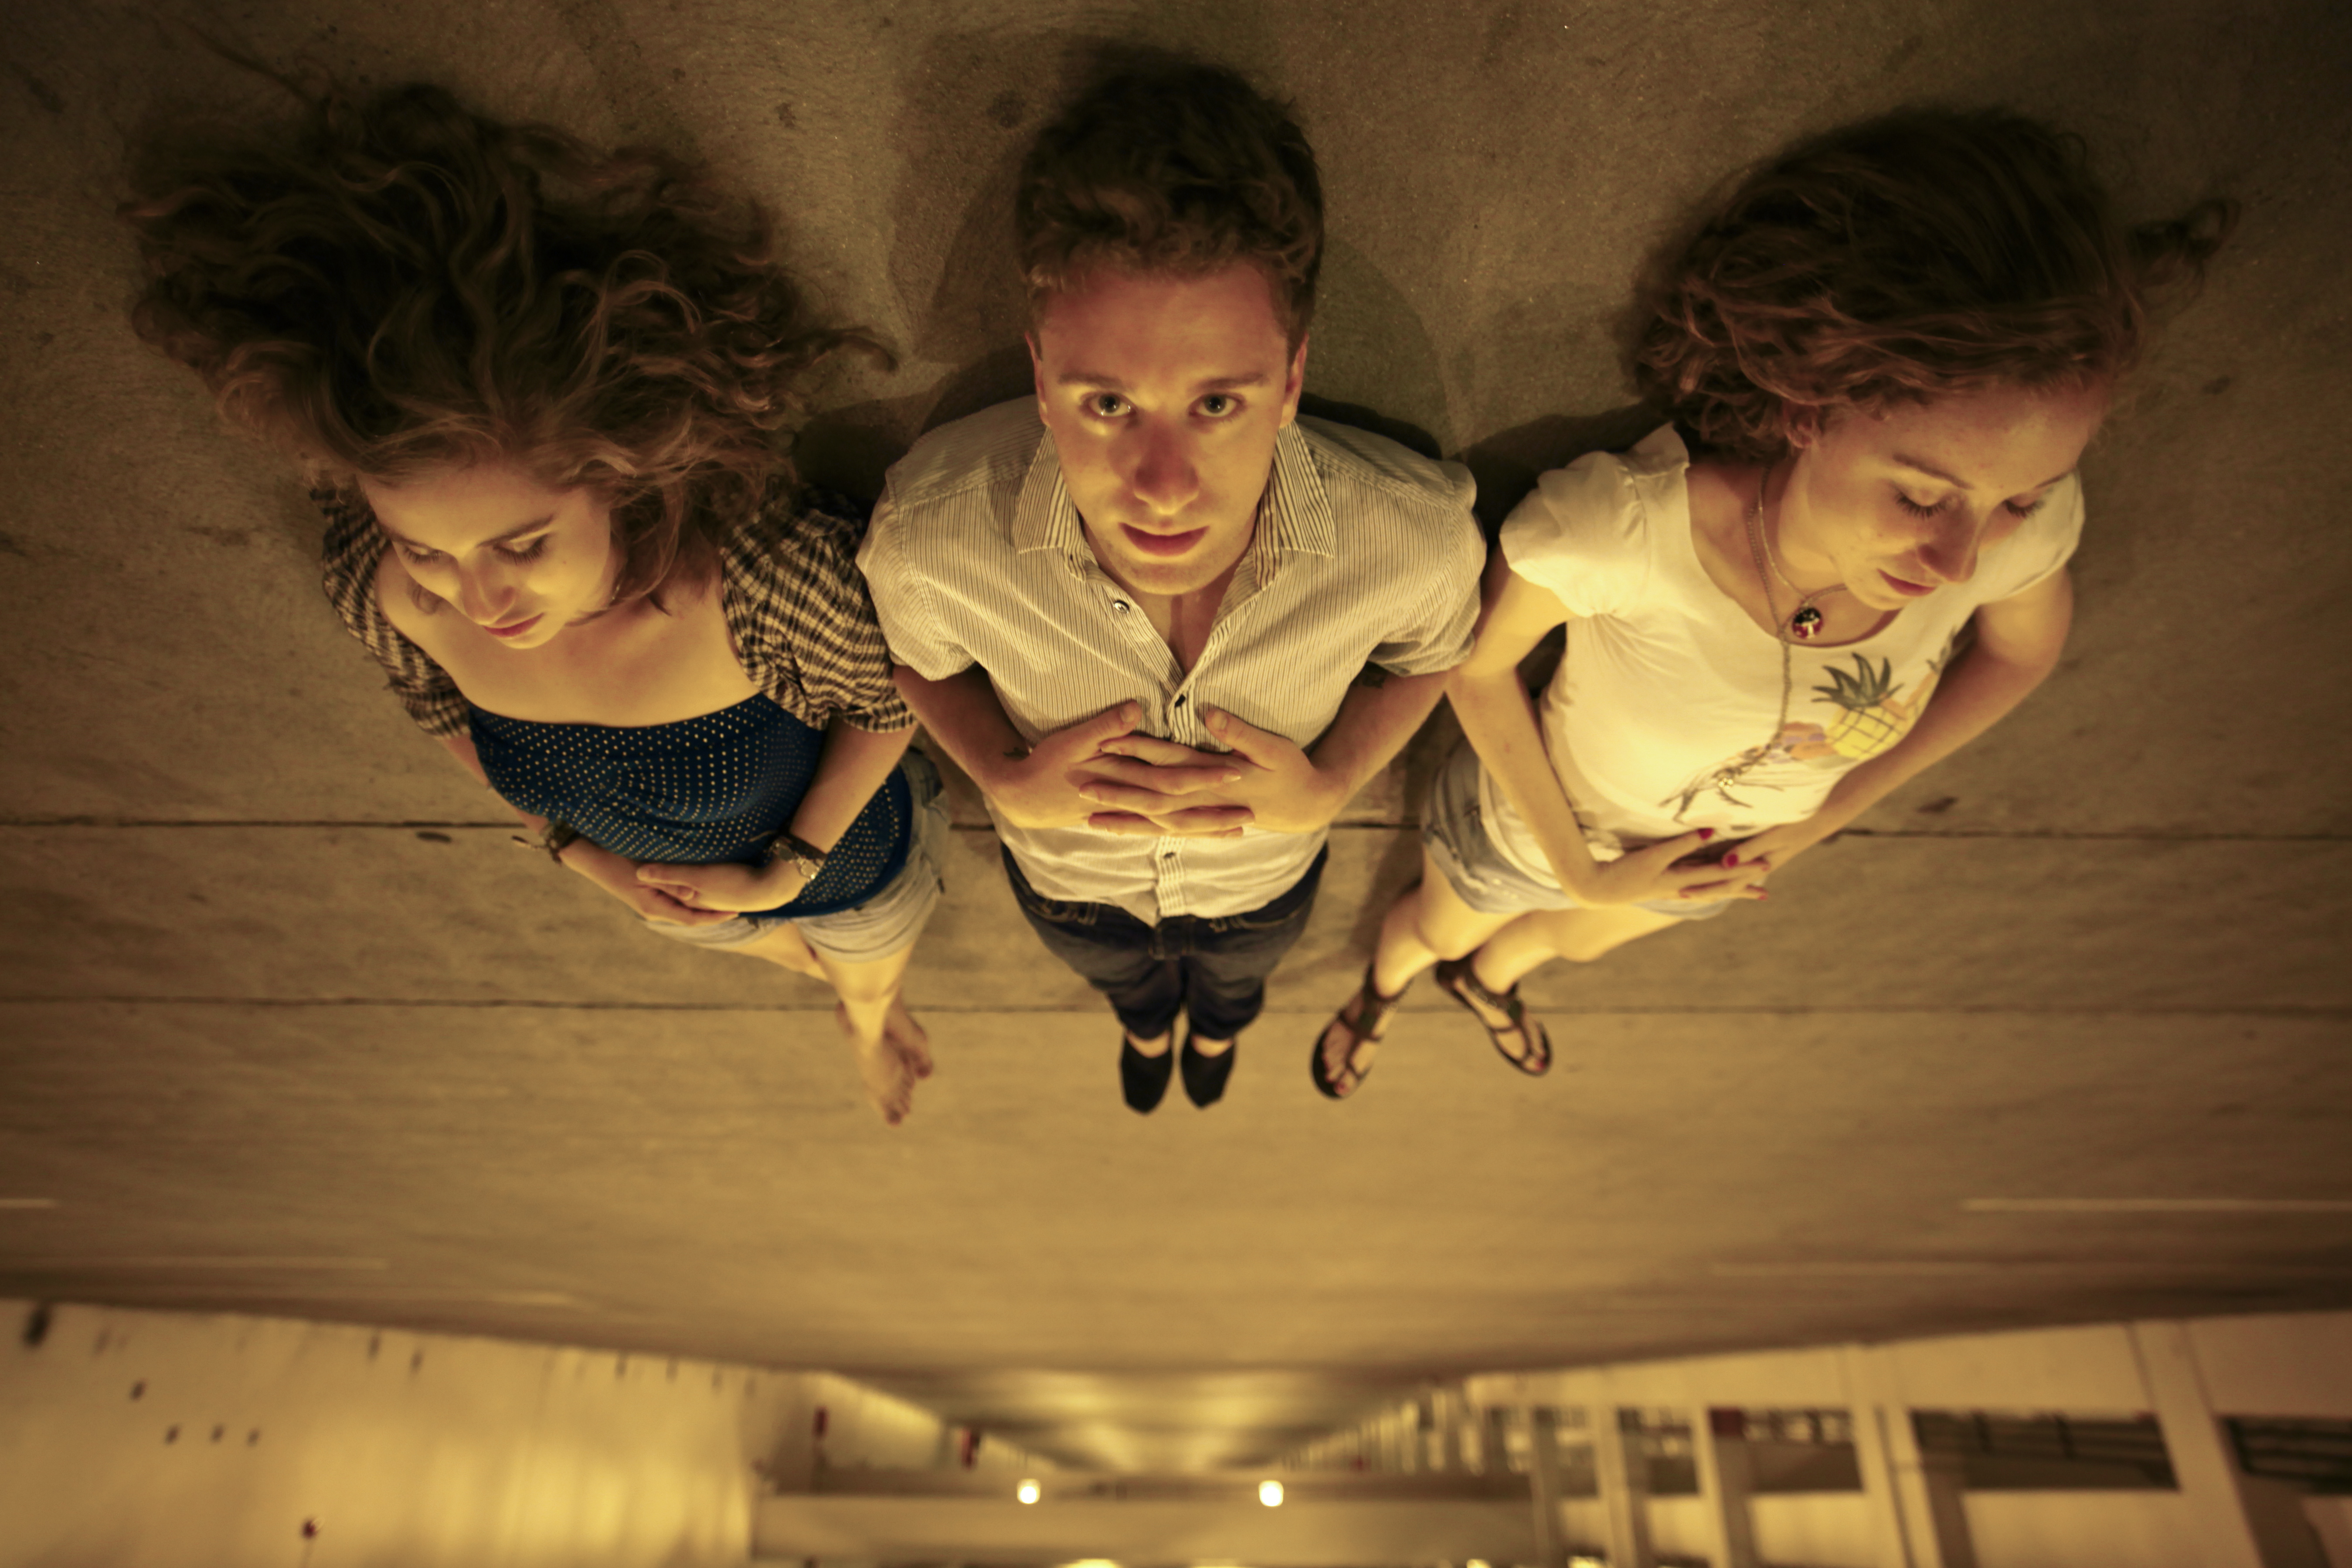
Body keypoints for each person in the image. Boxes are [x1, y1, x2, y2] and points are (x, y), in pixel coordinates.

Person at [1315, 109, 2233, 1097]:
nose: (1960, 560)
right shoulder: (1619, 531)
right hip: (1541, 826)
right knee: (1438, 922)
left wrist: (1828, 815)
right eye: (1919, 496)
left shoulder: (2018, 533)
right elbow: (1477, 662)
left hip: (1729, 857)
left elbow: (2018, 650)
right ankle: (1385, 989)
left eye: (2019, 499)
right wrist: (1581, 869)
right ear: (1809, 404)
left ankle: (1491, 985)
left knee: (1568, 950)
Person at [124, 80, 948, 1126]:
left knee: (863, 970)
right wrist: (589, 863)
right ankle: (843, 998)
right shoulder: (382, 588)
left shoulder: (748, 576)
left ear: (623, 472)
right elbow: (439, 716)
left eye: (523, 543)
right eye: (426, 546)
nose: (478, 595)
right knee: (776, 958)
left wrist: (789, 866)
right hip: (669, 896)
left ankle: (873, 1024)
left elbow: (886, 701)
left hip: (844, 865)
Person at [860, 61, 1484, 1113]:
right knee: (1120, 985)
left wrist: (1332, 783)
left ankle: (1223, 1027)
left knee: (1240, 981)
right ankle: (1145, 1027)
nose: (1160, 484)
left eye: (1216, 403)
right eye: (1106, 401)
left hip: (1263, 887)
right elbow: (917, 659)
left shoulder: (1411, 535)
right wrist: (999, 777)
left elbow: (1436, 651)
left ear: (1289, 380)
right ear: (1041, 378)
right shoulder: (931, 534)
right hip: (1069, 888)